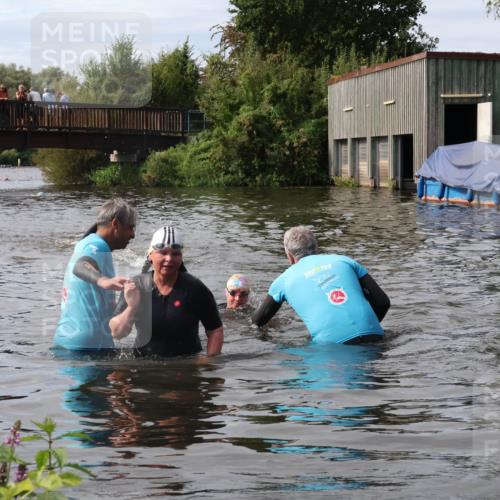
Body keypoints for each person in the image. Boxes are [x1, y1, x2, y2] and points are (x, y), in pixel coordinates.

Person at [252, 226, 390, 344]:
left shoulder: (283, 281)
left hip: (332, 347)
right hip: (375, 335)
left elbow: (258, 321)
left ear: (289, 255)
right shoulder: (344, 261)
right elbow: (383, 302)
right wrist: (368, 326)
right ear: (316, 247)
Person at [110, 226, 224, 358]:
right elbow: (117, 333)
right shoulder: (136, 286)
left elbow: (215, 330)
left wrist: (209, 361)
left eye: (175, 254)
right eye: (163, 253)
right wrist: (132, 306)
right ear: (150, 256)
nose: (169, 259)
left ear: (181, 258)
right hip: (143, 365)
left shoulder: (195, 289)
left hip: (185, 365)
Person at [53, 198, 137, 351]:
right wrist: (104, 280)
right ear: (116, 224)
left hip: (70, 342)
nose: (133, 234)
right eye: (130, 227)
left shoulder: (88, 243)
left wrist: (127, 299)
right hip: (87, 348)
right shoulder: (97, 246)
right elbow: (80, 266)